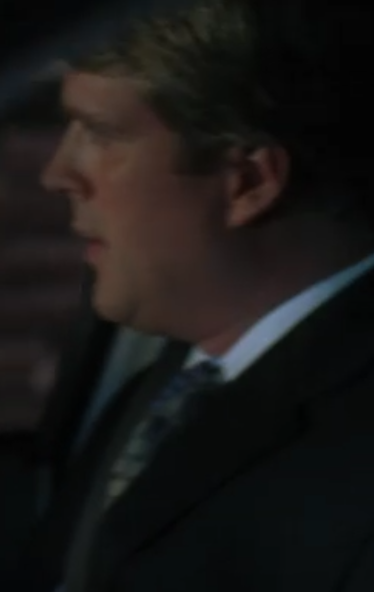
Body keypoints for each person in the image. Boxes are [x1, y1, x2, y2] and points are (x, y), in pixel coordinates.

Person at [21, 1, 374, 591]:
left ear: (249, 183)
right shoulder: (169, 385)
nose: (57, 173)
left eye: (102, 133)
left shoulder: (353, 452)